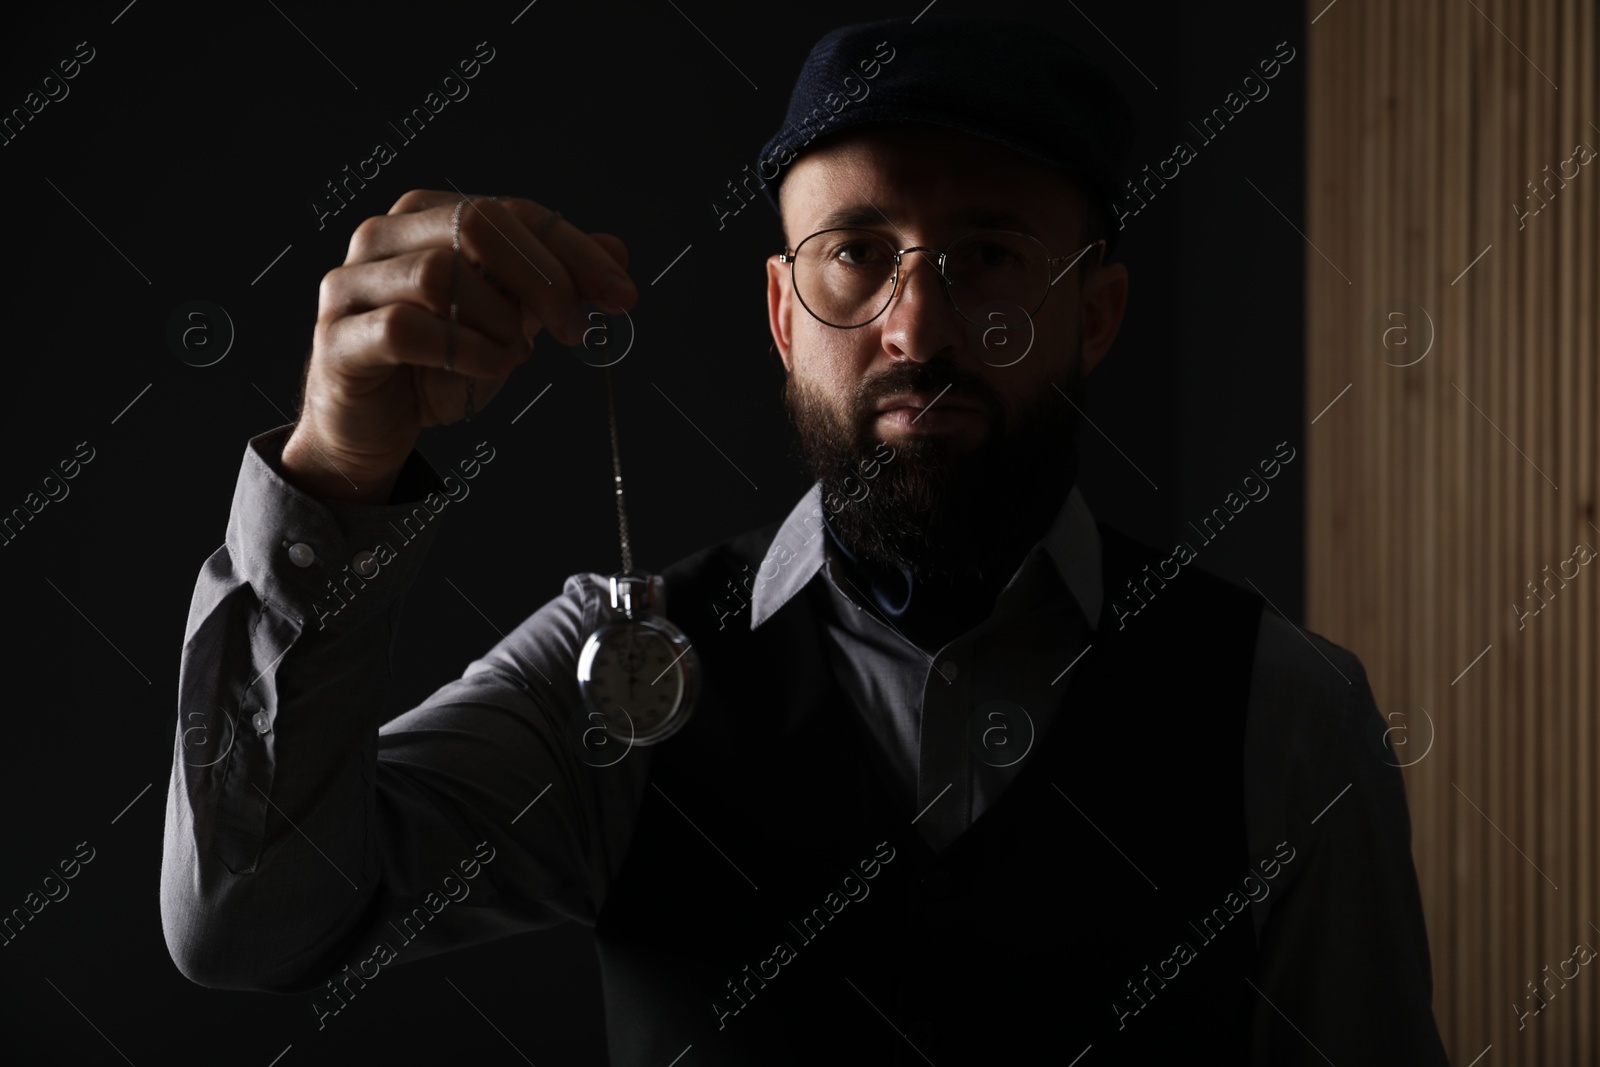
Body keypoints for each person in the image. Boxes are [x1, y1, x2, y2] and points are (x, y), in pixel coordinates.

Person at [161, 14, 1450, 1065]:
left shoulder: (1282, 714)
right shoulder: (618, 682)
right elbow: (247, 925)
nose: (920, 330)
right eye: (856, 255)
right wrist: (335, 467)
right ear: (784, 316)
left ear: (1097, 316)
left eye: (991, 256)